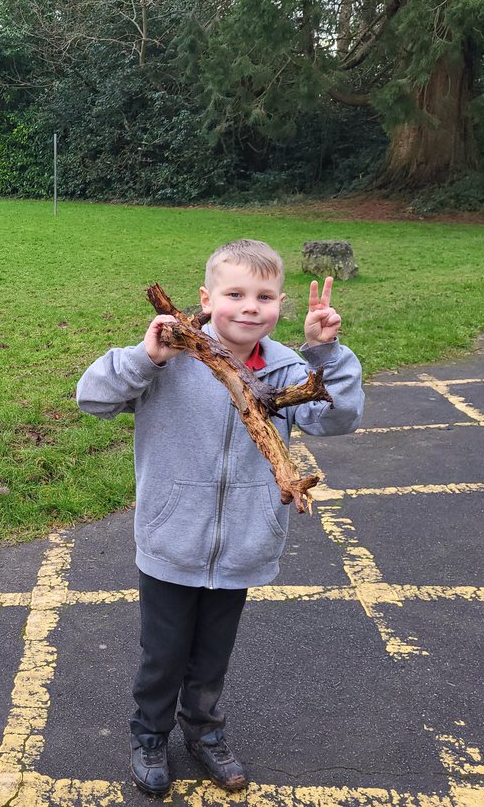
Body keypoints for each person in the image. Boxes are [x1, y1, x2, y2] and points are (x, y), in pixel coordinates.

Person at [76, 239, 364, 796]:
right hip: (171, 540)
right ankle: (150, 734)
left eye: (264, 296)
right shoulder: (173, 358)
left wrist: (325, 355)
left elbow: (338, 421)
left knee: (211, 658)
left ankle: (203, 731)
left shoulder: (286, 367)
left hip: (243, 542)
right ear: (207, 299)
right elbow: (91, 397)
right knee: (163, 656)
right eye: (235, 294)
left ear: (280, 303)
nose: (250, 307)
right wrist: (148, 356)